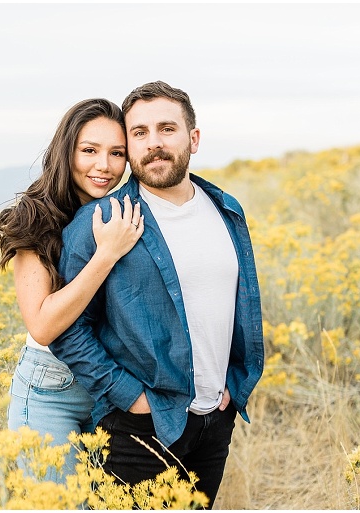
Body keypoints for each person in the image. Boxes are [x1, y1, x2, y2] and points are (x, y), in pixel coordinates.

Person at [50, 81, 264, 508]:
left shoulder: (226, 210)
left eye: (167, 128)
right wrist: (131, 398)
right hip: (137, 429)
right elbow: (68, 330)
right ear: (128, 147)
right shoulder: (103, 220)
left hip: (214, 422)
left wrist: (231, 387)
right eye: (140, 133)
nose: (154, 144)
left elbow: (236, 307)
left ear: (193, 139)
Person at [0, 98, 144, 482]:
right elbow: (43, 325)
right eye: (89, 151)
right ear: (66, 151)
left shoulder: (123, 213)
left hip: (110, 384)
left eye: (117, 153)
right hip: (51, 391)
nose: (104, 166)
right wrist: (105, 255)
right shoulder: (33, 217)